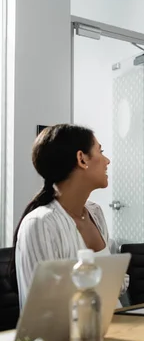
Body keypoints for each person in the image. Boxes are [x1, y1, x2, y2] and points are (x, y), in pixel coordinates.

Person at [11, 124, 128, 307]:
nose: (107, 161)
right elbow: (44, 310)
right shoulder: (40, 224)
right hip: (76, 335)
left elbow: (116, 286)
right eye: (100, 151)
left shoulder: (95, 213)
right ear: (82, 159)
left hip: (117, 324)